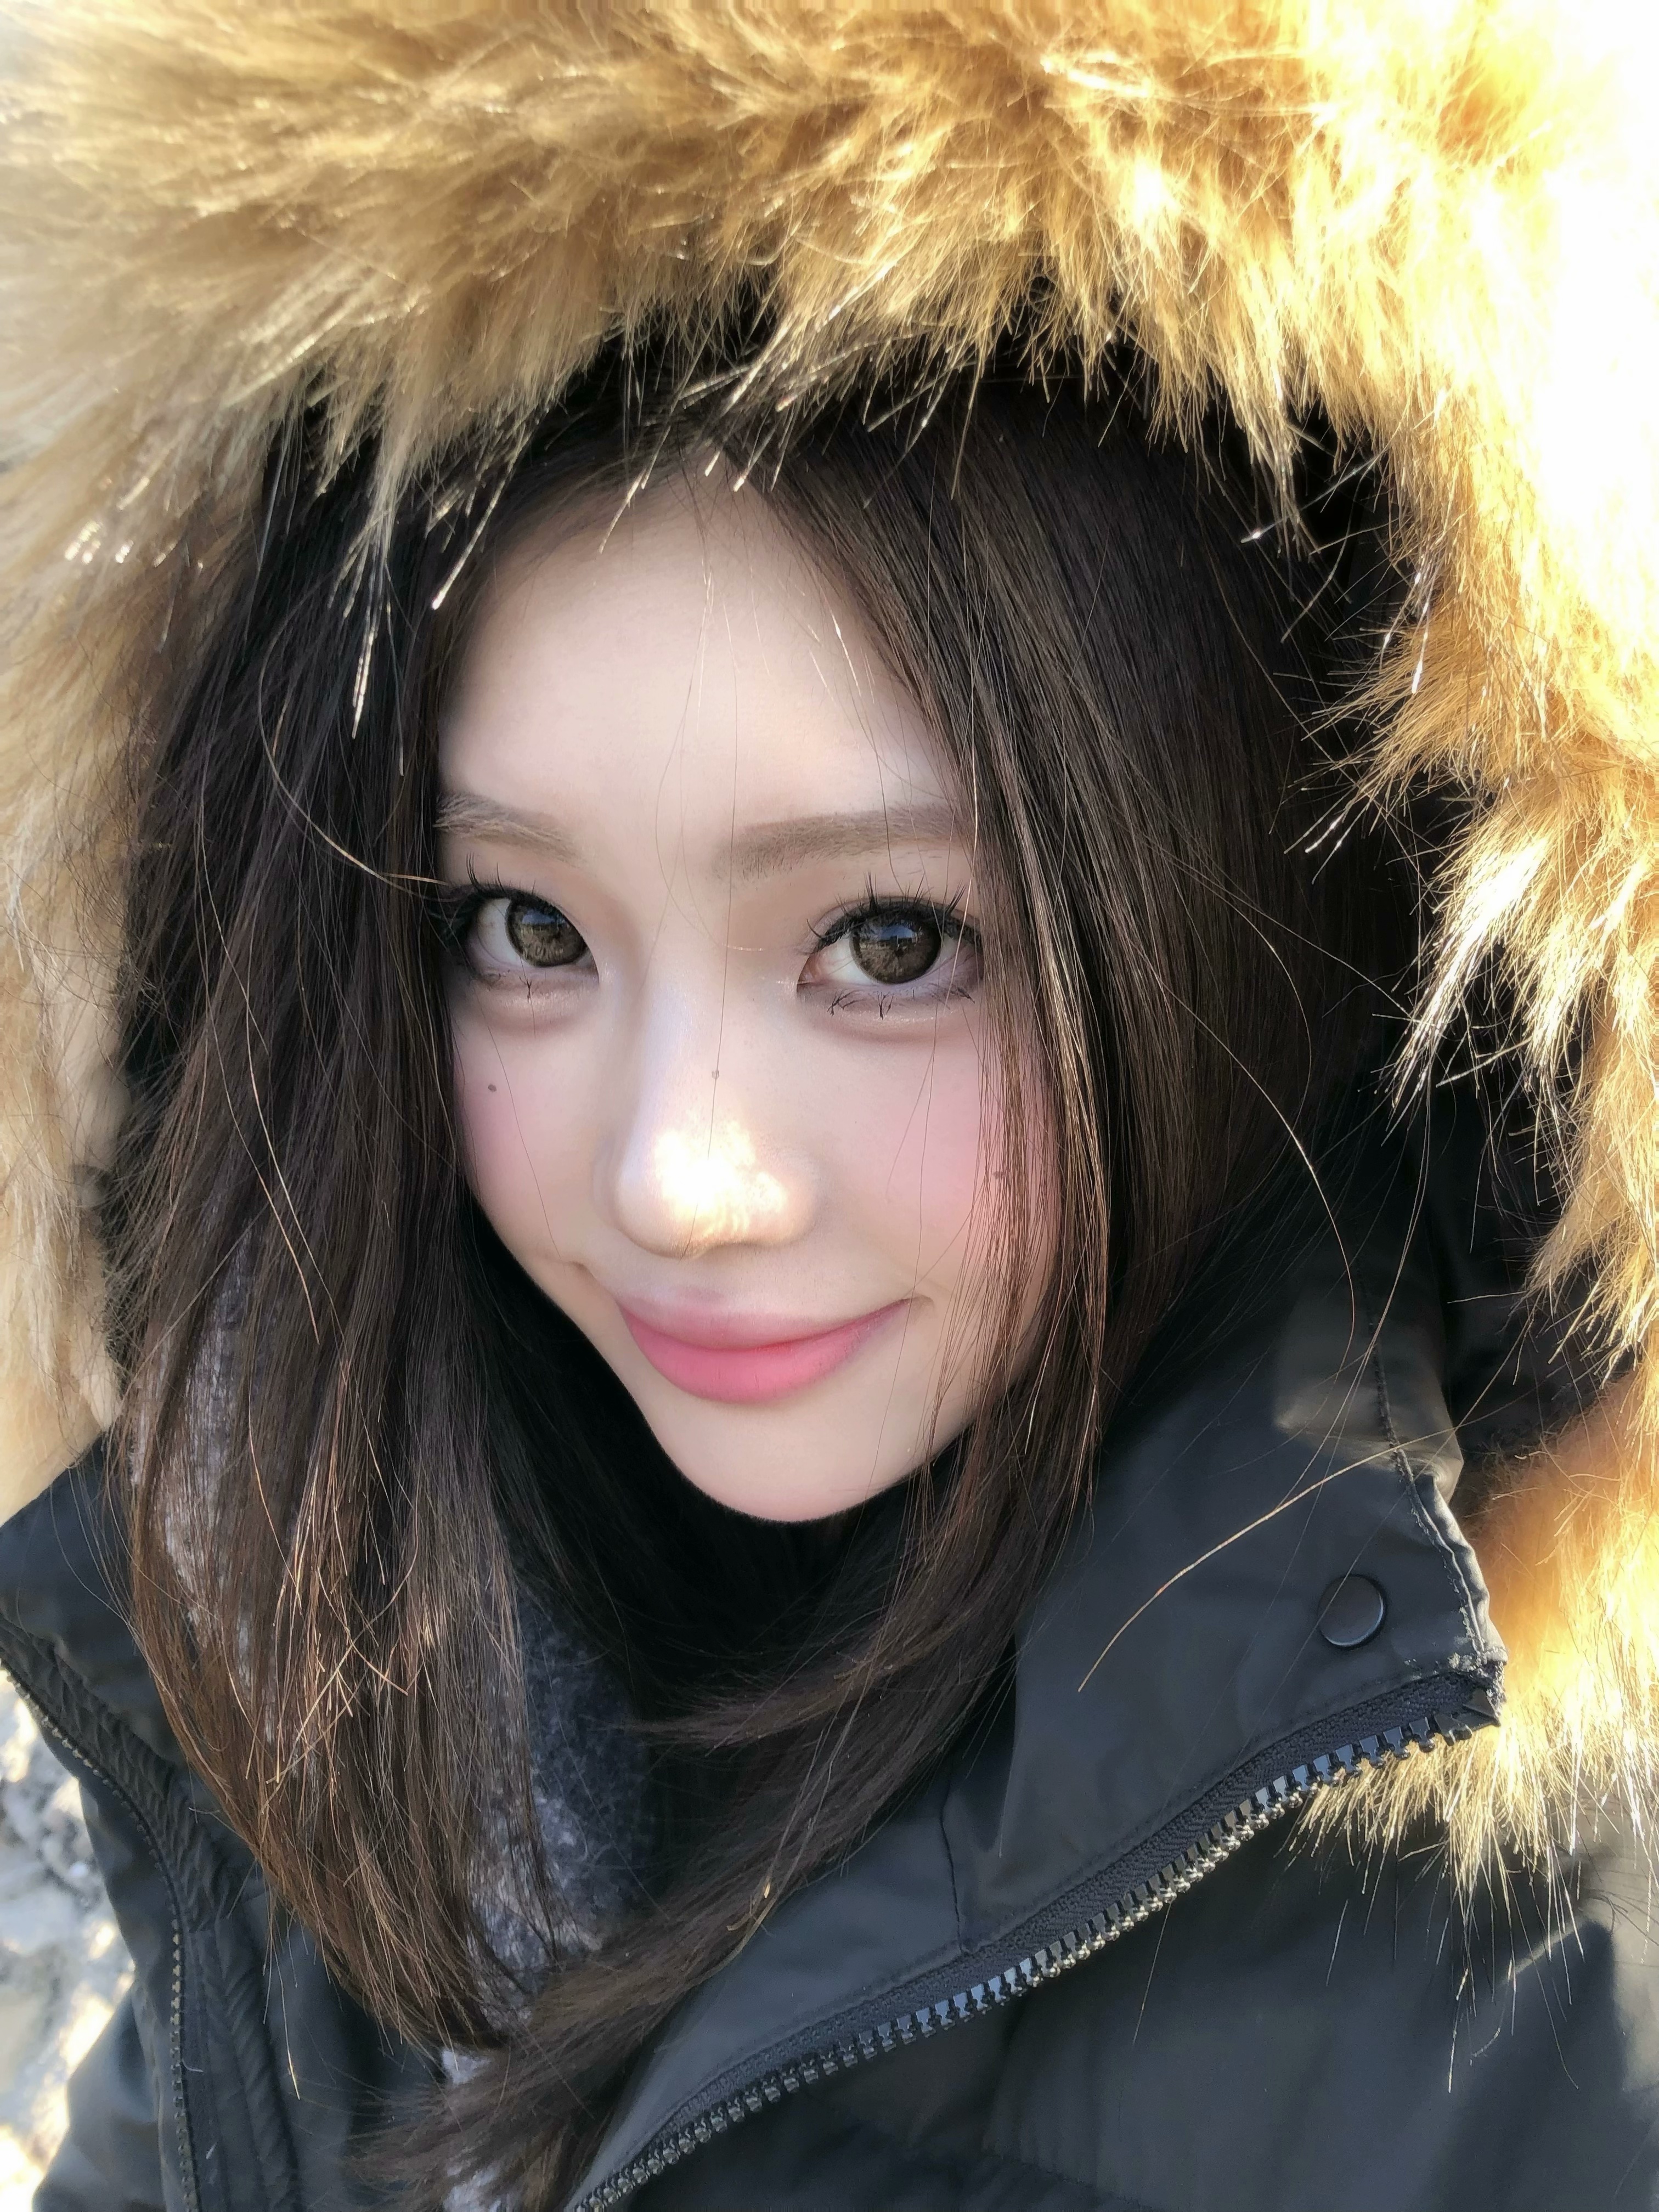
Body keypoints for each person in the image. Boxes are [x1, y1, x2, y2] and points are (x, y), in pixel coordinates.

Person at [2, 5, 1657, 2209]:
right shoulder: (341, 1603)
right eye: (521, 927)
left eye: (890, 943)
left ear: (1283, 909)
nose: (674, 1177)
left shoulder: (1562, 1980)